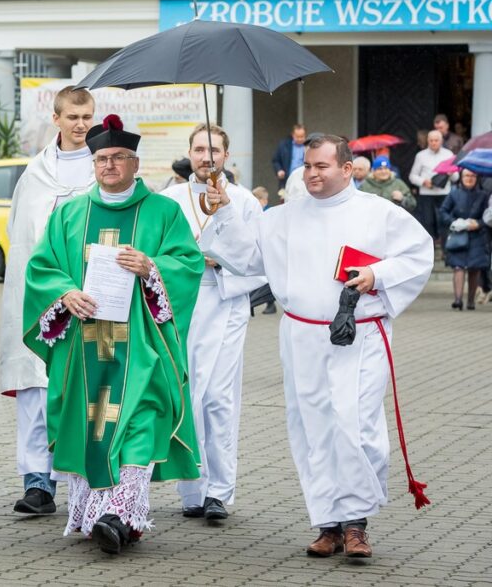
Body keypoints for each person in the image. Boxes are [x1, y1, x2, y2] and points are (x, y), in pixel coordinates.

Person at [201, 134, 433, 560]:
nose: (311, 173)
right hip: (302, 335)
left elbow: (418, 255)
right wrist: (224, 211)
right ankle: (328, 523)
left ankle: (358, 523)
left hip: (359, 335)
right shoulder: (282, 217)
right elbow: (244, 255)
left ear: (346, 168)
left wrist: (376, 275)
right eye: (307, 166)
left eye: (321, 166)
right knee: (313, 429)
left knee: (357, 427)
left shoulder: (379, 213)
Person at [22, 115, 202, 554]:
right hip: (83, 347)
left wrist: (152, 267)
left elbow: (188, 264)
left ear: (135, 163)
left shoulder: (164, 211)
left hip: (141, 346)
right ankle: (105, 519)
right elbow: (42, 269)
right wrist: (65, 293)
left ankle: (118, 515)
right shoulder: (70, 212)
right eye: (101, 158)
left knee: (140, 420)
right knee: (91, 425)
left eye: (119, 157)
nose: (109, 165)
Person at [159, 124, 266, 522]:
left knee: (219, 398)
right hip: (180, 304)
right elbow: (154, 254)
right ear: (189, 153)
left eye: (215, 150)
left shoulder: (243, 201)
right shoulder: (169, 200)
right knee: (188, 396)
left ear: (226, 156)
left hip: (226, 301)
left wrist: (221, 260)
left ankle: (219, 491)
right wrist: (186, 264)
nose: (207, 157)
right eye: (200, 149)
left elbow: (260, 261)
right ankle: (192, 490)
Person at [0, 85, 95, 516]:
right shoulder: (34, 175)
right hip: (41, 296)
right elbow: (19, 237)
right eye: (72, 117)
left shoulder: (105, 168)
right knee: (37, 388)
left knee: (84, 389)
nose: (80, 125)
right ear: (56, 119)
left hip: (90, 295)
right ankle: (38, 483)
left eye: (86, 117)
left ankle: (85, 481)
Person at [439, 169, 490, 310]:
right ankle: (458, 299)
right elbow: (443, 211)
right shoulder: (454, 193)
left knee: (474, 268)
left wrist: (478, 223)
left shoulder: (484, 195)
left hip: (477, 235)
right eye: (467, 175)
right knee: (458, 266)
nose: (470, 178)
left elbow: (488, 216)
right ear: (461, 177)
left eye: (473, 176)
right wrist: (454, 222)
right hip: (458, 235)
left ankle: (471, 301)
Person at [409, 130, 455, 241]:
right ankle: (430, 249)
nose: (433, 143)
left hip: (444, 193)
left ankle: (445, 249)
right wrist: (423, 181)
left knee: (443, 221)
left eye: (436, 140)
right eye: (431, 140)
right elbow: (412, 176)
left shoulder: (449, 154)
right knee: (427, 222)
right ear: (427, 141)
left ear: (441, 141)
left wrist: (451, 173)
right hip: (426, 193)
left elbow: (456, 178)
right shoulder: (420, 155)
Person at [271, 123, 307, 190]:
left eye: (302, 137)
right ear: (293, 135)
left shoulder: (309, 146)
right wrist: (279, 170)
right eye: (297, 137)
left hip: (304, 180)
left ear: (305, 135)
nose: (299, 139)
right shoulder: (284, 145)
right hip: (287, 179)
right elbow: (276, 160)